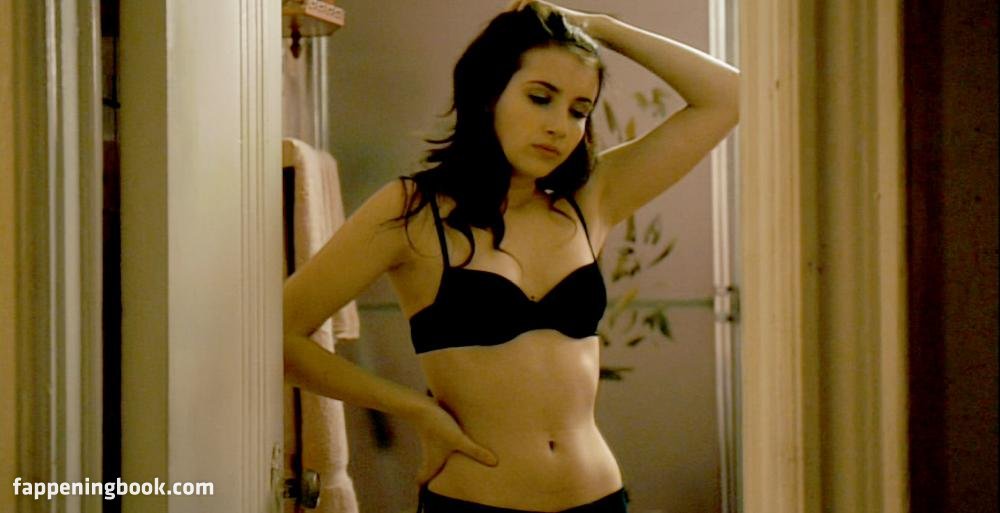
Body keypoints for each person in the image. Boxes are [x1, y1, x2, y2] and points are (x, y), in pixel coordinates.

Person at [283, 1, 739, 511]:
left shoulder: (591, 200)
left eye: (579, 110)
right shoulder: (412, 210)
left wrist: (598, 27)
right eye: (540, 98)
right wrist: (417, 410)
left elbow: (729, 96)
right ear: (487, 96)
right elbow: (281, 336)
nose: (559, 125)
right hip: (475, 501)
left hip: (599, 499)